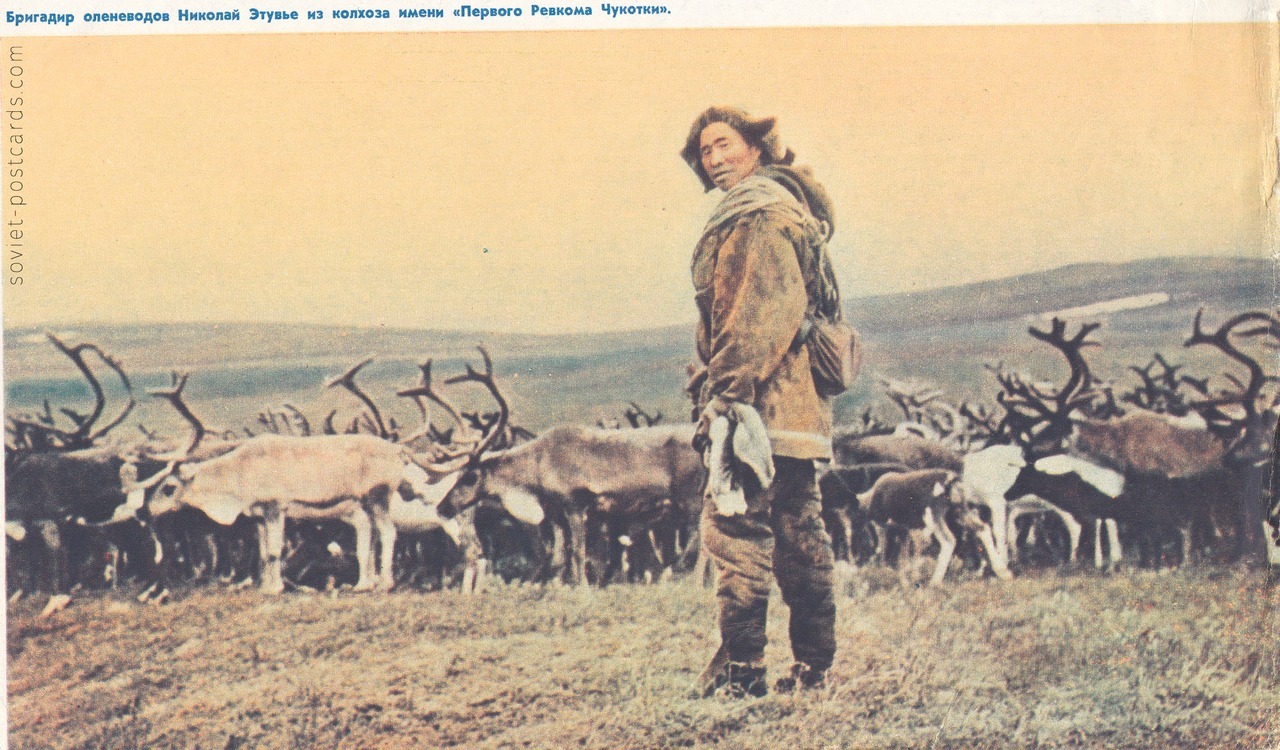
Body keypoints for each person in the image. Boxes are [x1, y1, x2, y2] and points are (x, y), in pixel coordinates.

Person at [682, 106, 839, 697]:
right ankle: (813, 668)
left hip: (755, 408)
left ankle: (743, 673)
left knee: (736, 530)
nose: (716, 159)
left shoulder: (758, 216)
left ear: (755, 146)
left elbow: (757, 317)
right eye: (705, 152)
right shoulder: (786, 208)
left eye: (725, 144)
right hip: (795, 411)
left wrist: (724, 394)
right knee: (799, 530)